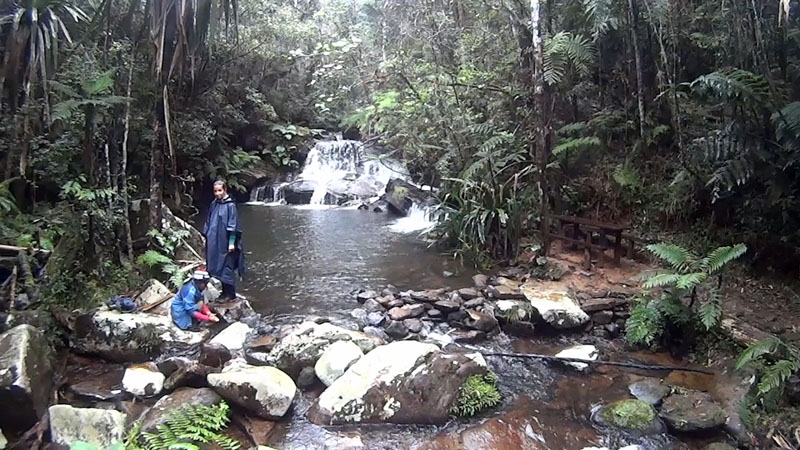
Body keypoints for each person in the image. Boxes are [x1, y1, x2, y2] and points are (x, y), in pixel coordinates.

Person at [204, 180, 245, 301]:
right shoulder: (214, 204)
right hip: (214, 241)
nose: (217, 193)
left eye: (220, 190)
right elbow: (209, 221)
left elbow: (233, 226)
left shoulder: (230, 206)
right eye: (215, 191)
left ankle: (230, 294)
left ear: (225, 190)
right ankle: (223, 291)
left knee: (227, 266)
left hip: (225, 242)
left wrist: (232, 243)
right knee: (216, 265)